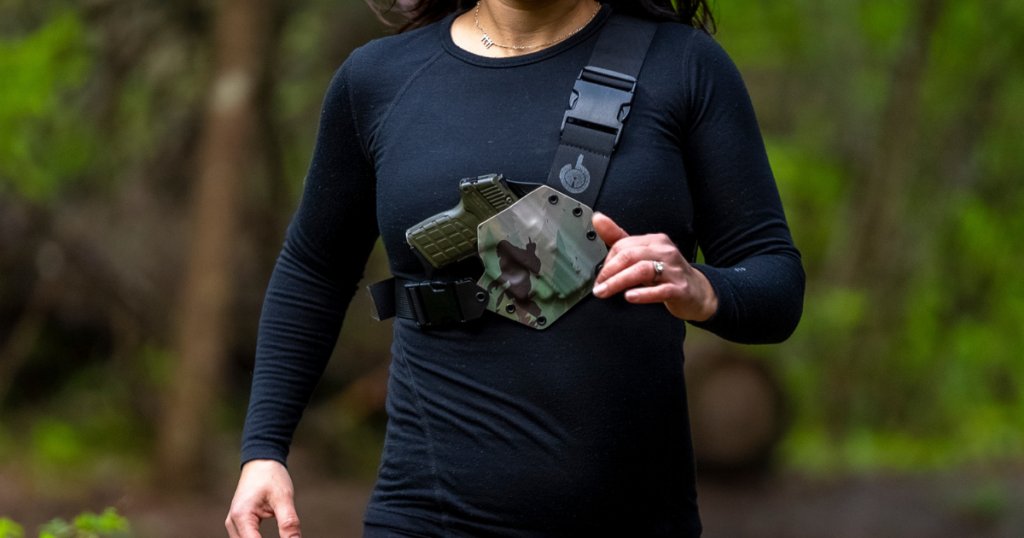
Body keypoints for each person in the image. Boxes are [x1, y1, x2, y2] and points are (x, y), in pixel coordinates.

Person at [226, 0, 805, 537]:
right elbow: (313, 271)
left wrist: (702, 287)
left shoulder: (683, 66)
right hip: (427, 516)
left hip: (636, 518)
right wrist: (264, 450)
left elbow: (776, 281)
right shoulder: (378, 79)